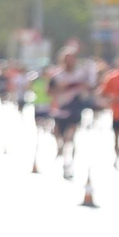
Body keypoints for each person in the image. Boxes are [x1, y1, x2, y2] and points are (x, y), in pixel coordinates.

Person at [49, 47, 98, 179]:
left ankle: (68, 164)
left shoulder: (80, 74)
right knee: (59, 135)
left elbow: (90, 86)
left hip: (75, 108)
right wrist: (61, 90)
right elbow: (50, 91)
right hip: (60, 108)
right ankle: (60, 149)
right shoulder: (57, 74)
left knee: (70, 137)